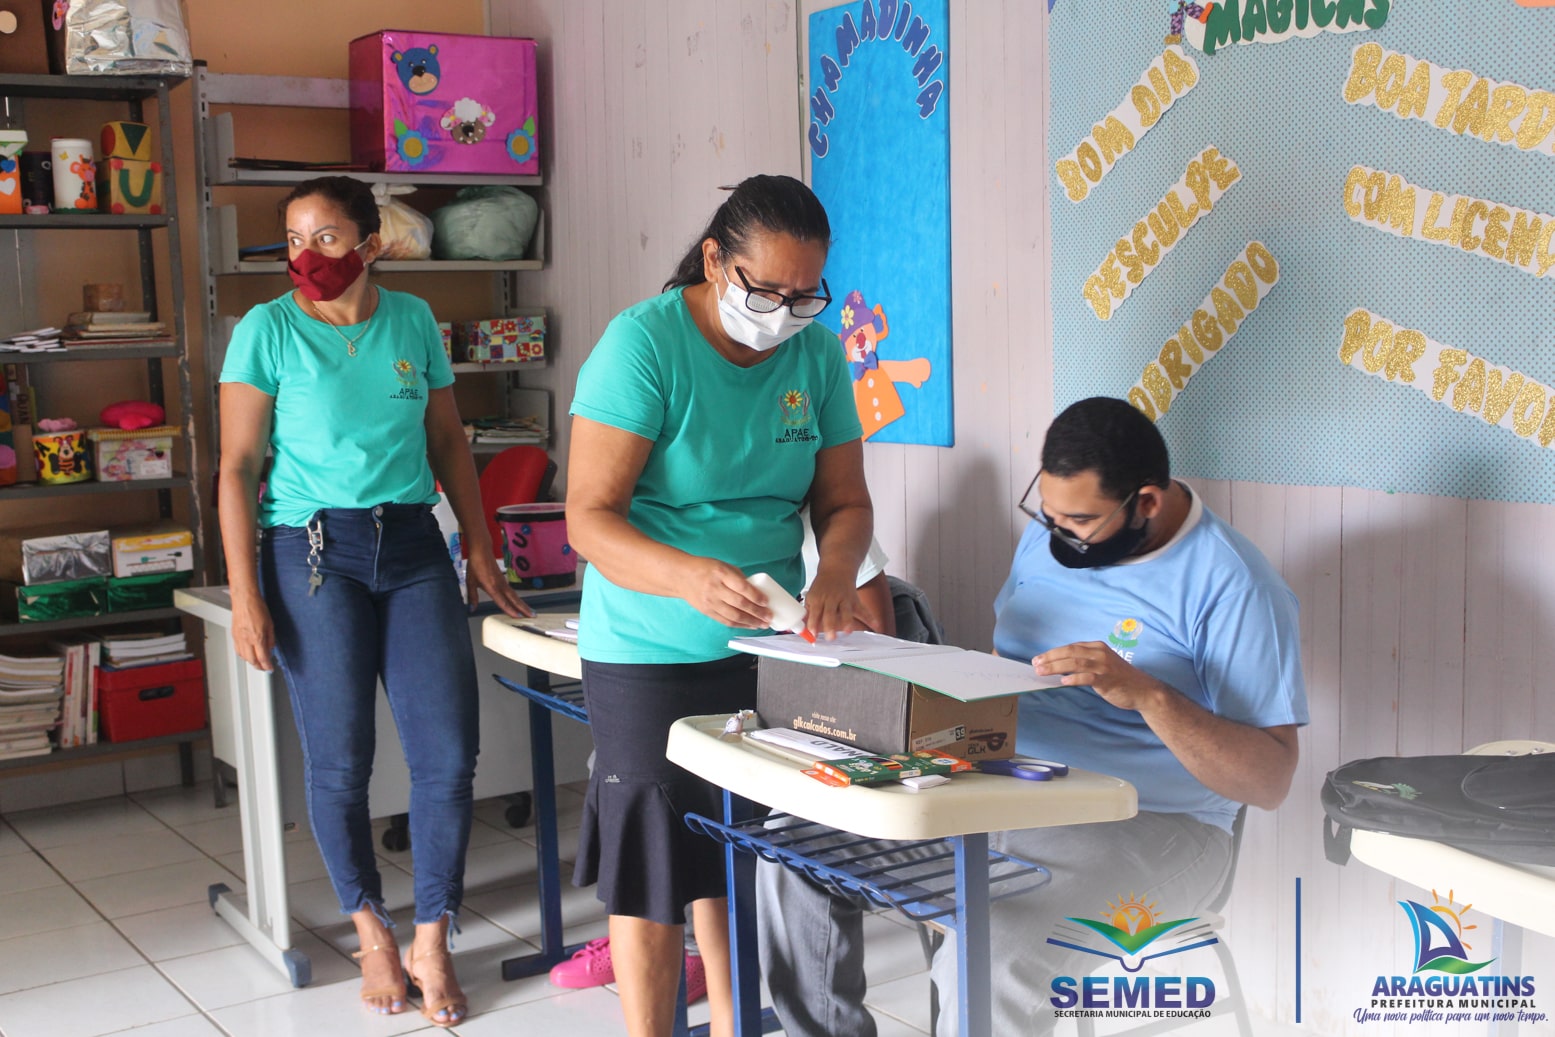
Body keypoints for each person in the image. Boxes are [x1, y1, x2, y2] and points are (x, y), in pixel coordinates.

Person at [758, 395, 1308, 1036]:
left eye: (1079, 521)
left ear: (1146, 503)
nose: (1056, 535)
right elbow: (1006, 664)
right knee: (795, 844)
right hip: (1003, 783)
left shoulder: (1235, 586)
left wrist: (1149, 695)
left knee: (991, 951)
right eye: (1048, 514)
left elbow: (1269, 781)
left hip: (1148, 821)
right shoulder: (1053, 537)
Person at [565, 173, 874, 1037]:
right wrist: (687, 578)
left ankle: (741, 1022)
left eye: (804, 296)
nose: (782, 314)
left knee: (743, 851)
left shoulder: (815, 355)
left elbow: (844, 501)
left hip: (768, 642)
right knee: (655, 868)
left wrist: (834, 572)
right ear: (713, 260)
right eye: (764, 290)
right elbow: (589, 519)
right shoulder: (643, 345)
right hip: (649, 647)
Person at [217, 176, 528, 1028]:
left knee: (448, 753)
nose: (306, 255)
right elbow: (236, 469)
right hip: (312, 551)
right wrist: (245, 593)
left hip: (414, 545)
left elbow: (447, 440)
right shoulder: (266, 330)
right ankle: (372, 931)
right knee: (340, 761)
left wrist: (478, 544)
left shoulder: (413, 320)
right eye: (293, 239)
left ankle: (432, 937)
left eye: (325, 237)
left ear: (371, 242)